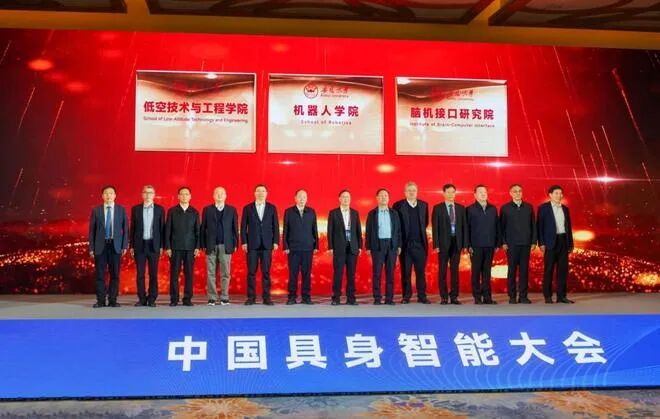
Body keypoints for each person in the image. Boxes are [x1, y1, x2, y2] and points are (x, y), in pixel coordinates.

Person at [88, 185, 128, 308]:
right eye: (106, 193)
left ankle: (113, 300)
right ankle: (100, 301)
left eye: (111, 193)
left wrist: (124, 245)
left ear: (115, 195)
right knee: (100, 275)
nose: (108, 195)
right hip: (100, 246)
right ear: (102, 196)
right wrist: (91, 248)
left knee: (115, 275)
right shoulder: (96, 210)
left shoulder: (121, 210)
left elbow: (125, 229)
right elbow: (92, 231)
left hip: (115, 246)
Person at [241, 184, 279, 305]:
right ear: (254, 193)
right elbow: (243, 227)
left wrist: (276, 241)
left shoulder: (272, 208)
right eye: (258, 191)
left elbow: (276, 226)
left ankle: (267, 298)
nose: (261, 193)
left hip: (267, 244)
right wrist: (244, 242)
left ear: (266, 193)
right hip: (252, 244)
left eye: (263, 191)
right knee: (251, 272)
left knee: (266, 272)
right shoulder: (248, 208)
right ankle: (251, 298)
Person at [200, 186, 238, 306]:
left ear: (226, 196)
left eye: (222, 193)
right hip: (210, 245)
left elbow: (235, 229)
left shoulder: (232, 210)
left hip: (226, 245)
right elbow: (203, 228)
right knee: (210, 273)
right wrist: (202, 244)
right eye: (217, 193)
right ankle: (212, 297)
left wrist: (235, 243)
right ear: (213, 195)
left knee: (225, 273)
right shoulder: (207, 210)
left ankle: (224, 297)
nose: (219, 195)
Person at [393, 182, 430, 304]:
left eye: (414, 190)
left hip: (420, 244)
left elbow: (425, 223)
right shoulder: (398, 206)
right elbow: (396, 226)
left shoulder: (424, 205)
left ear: (417, 192)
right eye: (409, 190)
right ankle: (406, 296)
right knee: (406, 272)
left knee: (421, 272)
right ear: (405, 192)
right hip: (405, 245)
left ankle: (422, 296)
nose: (412, 192)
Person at [500, 184, 536, 304]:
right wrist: (503, 242)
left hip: (526, 243)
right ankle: (512, 296)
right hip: (511, 244)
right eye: (515, 191)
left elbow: (533, 225)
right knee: (512, 271)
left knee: (524, 271)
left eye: (520, 191)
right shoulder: (505, 208)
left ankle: (523, 296)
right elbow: (501, 227)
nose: (517, 193)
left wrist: (533, 241)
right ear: (510, 193)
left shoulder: (529, 207)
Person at [431, 183, 468, 305]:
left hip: (457, 243)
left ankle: (454, 296)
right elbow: (435, 228)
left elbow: (464, 227)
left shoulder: (461, 208)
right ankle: (444, 297)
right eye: (448, 192)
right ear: (444, 193)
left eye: (453, 192)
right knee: (442, 271)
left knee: (454, 271)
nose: (451, 194)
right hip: (442, 244)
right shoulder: (438, 208)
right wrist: (436, 245)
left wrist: (465, 245)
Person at [538, 185, 575, 304]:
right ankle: (548, 296)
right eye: (556, 193)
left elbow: (569, 228)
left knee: (563, 270)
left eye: (561, 193)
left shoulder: (565, 209)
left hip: (563, 241)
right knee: (548, 270)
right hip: (550, 242)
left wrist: (570, 243)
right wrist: (541, 243)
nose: (559, 195)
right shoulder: (543, 208)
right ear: (550, 195)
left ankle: (561, 296)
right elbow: (540, 227)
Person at [129, 185, 165, 307]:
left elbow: (162, 229)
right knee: (140, 274)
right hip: (140, 245)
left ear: (154, 195)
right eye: (146, 192)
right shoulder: (136, 209)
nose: (148, 195)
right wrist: (131, 245)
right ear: (142, 194)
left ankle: (152, 299)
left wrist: (162, 245)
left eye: (150, 192)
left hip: (154, 245)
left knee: (153, 274)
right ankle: (142, 298)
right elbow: (132, 228)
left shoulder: (160, 209)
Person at [164, 186, 200, 307]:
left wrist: (197, 247)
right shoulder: (172, 211)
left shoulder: (194, 212)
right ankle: (174, 299)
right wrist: (168, 247)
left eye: (186, 194)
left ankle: (187, 299)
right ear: (178, 196)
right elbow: (167, 230)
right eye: (182, 194)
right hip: (175, 248)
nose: (184, 196)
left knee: (189, 274)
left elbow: (198, 231)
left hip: (190, 248)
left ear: (190, 196)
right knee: (174, 274)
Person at [365, 188, 402, 305]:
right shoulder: (372, 214)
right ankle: (377, 298)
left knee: (390, 273)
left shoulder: (394, 213)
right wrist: (368, 247)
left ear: (388, 198)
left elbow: (398, 231)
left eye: (385, 195)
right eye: (381, 195)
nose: (383, 197)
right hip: (377, 245)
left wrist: (399, 245)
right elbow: (368, 231)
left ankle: (389, 298)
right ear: (377, 198)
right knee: (377, 273)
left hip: (391, 245)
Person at [283, 189, 319, 305]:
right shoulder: (289, 212)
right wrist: (285, 246)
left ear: (307, 199)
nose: (302, 199)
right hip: (293, 248)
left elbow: (315, 229)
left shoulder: (311, 212)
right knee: (293, 274)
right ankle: (292, 297)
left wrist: (316, 245)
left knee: (306, 274)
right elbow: (286, 230)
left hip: (308, 248)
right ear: (295, 198)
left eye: (304, 197)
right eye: (300, 197)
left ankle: (306, 297)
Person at [466, 184, 500, 305]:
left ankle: (487, 297)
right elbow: (466, 229)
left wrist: (497, 243)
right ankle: (477, 297)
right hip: (475, 246)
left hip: (490, 245)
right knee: (476, 272)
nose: (483, 194)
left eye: (485, 192)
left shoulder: (493, 209)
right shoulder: (470, 209)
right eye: (480, 192)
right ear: (475, 195)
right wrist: (468, 245)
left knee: (487, 273)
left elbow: (497, 227)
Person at [327, 190, 362, 306]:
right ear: (339, 199)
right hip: (339, 248)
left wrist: (360, 246)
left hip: (352, 247)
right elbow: (330, 231)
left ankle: (351, 298)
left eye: (348, 197)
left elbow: (358, 231)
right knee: (338, 273)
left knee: (351, 274)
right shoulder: (333, 213)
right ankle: (336, 298)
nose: (346, 199)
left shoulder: (355, 213)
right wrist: (330, 247)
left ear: (350, 199)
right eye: (343, 197)